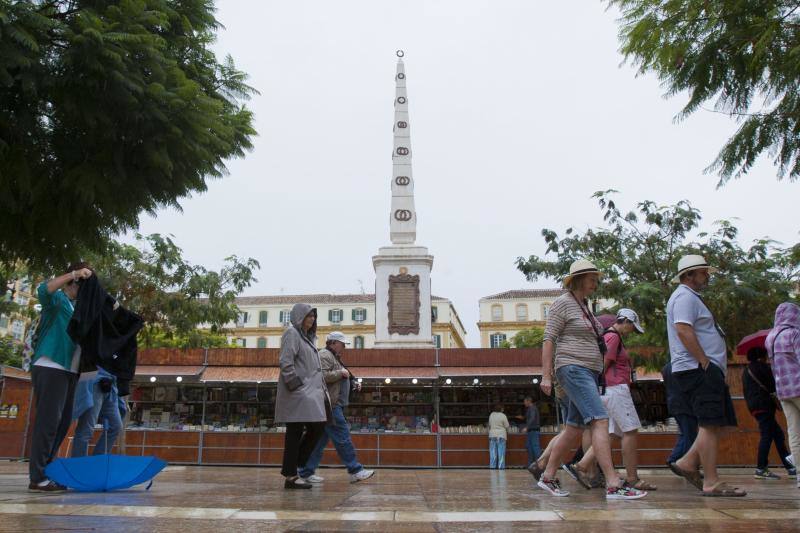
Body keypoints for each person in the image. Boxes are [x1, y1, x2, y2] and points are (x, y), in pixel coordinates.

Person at [538, 259, 646, 500]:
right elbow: (548, 339)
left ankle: (547, 476)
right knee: (599, 420)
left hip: (587, 371)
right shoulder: (562, 304)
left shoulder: (584, 306)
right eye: (592, 279)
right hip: (573, 368)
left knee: (574, 428)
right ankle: (613, 483)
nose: (596, 283)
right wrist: (546, 376)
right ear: (579, 279)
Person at [666, 254, 745, 497]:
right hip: (697, 369)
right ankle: (711, 480)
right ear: (689, 275)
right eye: (703, 272)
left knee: (717, 423)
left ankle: (688, 461)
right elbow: (683, 329)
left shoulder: (689, 298)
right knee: (709, 423)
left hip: (702, 369)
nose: (707, 276)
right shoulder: (683, 297)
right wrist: (704, 362)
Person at [565, 308, 656, 491]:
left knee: (613, 433)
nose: (632, 331)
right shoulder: (613, 337)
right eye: (632, 327)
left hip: (608, 390)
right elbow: (604, 363)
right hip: (616, 389)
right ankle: (632, 478)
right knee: (630, 431)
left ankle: (582, 465)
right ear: (626, 322)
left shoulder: (609, 336)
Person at [28, 264, 93, 491]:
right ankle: (38, 477)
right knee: (48, 422)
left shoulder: (78, 308)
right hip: (51, 364)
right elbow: (43, 291)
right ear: (72, 283)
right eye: (80, 285)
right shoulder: (57, 301)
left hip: (70, 370)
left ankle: (47, 470)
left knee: (63, 422)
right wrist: (74, 274)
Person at [298, 332, 374, 484]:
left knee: (320, 441)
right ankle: (355, 470)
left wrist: (351, 382)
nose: (344, 347)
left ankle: (306, 472)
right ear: (333, 343)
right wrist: (341, 373)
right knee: (343, 437)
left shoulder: (332, 356)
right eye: (342, 344)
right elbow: (320, 376)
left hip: (330, 404)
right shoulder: (325, 355)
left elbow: (338, 377)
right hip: (331, 406)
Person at [275, 303, 328, 489]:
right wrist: (296, 385)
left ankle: (293, 467)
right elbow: (286, 362)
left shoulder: (309, 338)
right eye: (308, 316)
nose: (312, 319)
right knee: (298, 431)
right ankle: (291, 474)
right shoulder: (292, 333)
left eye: (313, 316)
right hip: (298, 393)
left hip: (308, 393)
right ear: (299, 317)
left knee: (317, 427)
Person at [743, 346, 795, 479]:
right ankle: (761, 469)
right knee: (767, 435)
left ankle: (790, 467)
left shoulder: (746, 370)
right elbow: (773, 385)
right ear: (761, 356)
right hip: (764, 405)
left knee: (777, 435)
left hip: (754, 407)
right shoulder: (762, 368)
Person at [766, 302, 800, 489]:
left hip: (784, 391)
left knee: (794, 433)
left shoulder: (770, 338)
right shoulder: (795, 334)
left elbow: (773, 367)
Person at [662, 362, 698, 466]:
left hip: (675, 403)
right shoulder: (683, 366)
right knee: (689, 435)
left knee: (685, 433)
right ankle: (675, 460)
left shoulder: (667, 367)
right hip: (685, 404)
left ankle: (680, 461)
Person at [488, 404, 510, 469]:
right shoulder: (503, 415)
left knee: (493, 452)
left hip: (492, 435)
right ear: (501, 409)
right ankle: (501, 467)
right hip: (501, 435)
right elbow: (507, 426)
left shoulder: (491, 415)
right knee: (501, 452)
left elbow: (489, 425)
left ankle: (492, 466)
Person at [522, 396, 541, 466]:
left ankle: (539, 463)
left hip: (533, 430)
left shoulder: (532, 408)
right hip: (531, 430)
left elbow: (532, 418)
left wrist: (527, 427)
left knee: (534, 447)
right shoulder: (531, 408)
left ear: (528, 401)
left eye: (525, 402)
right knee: (529, 446)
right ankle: (532, 464)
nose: (524, 403)